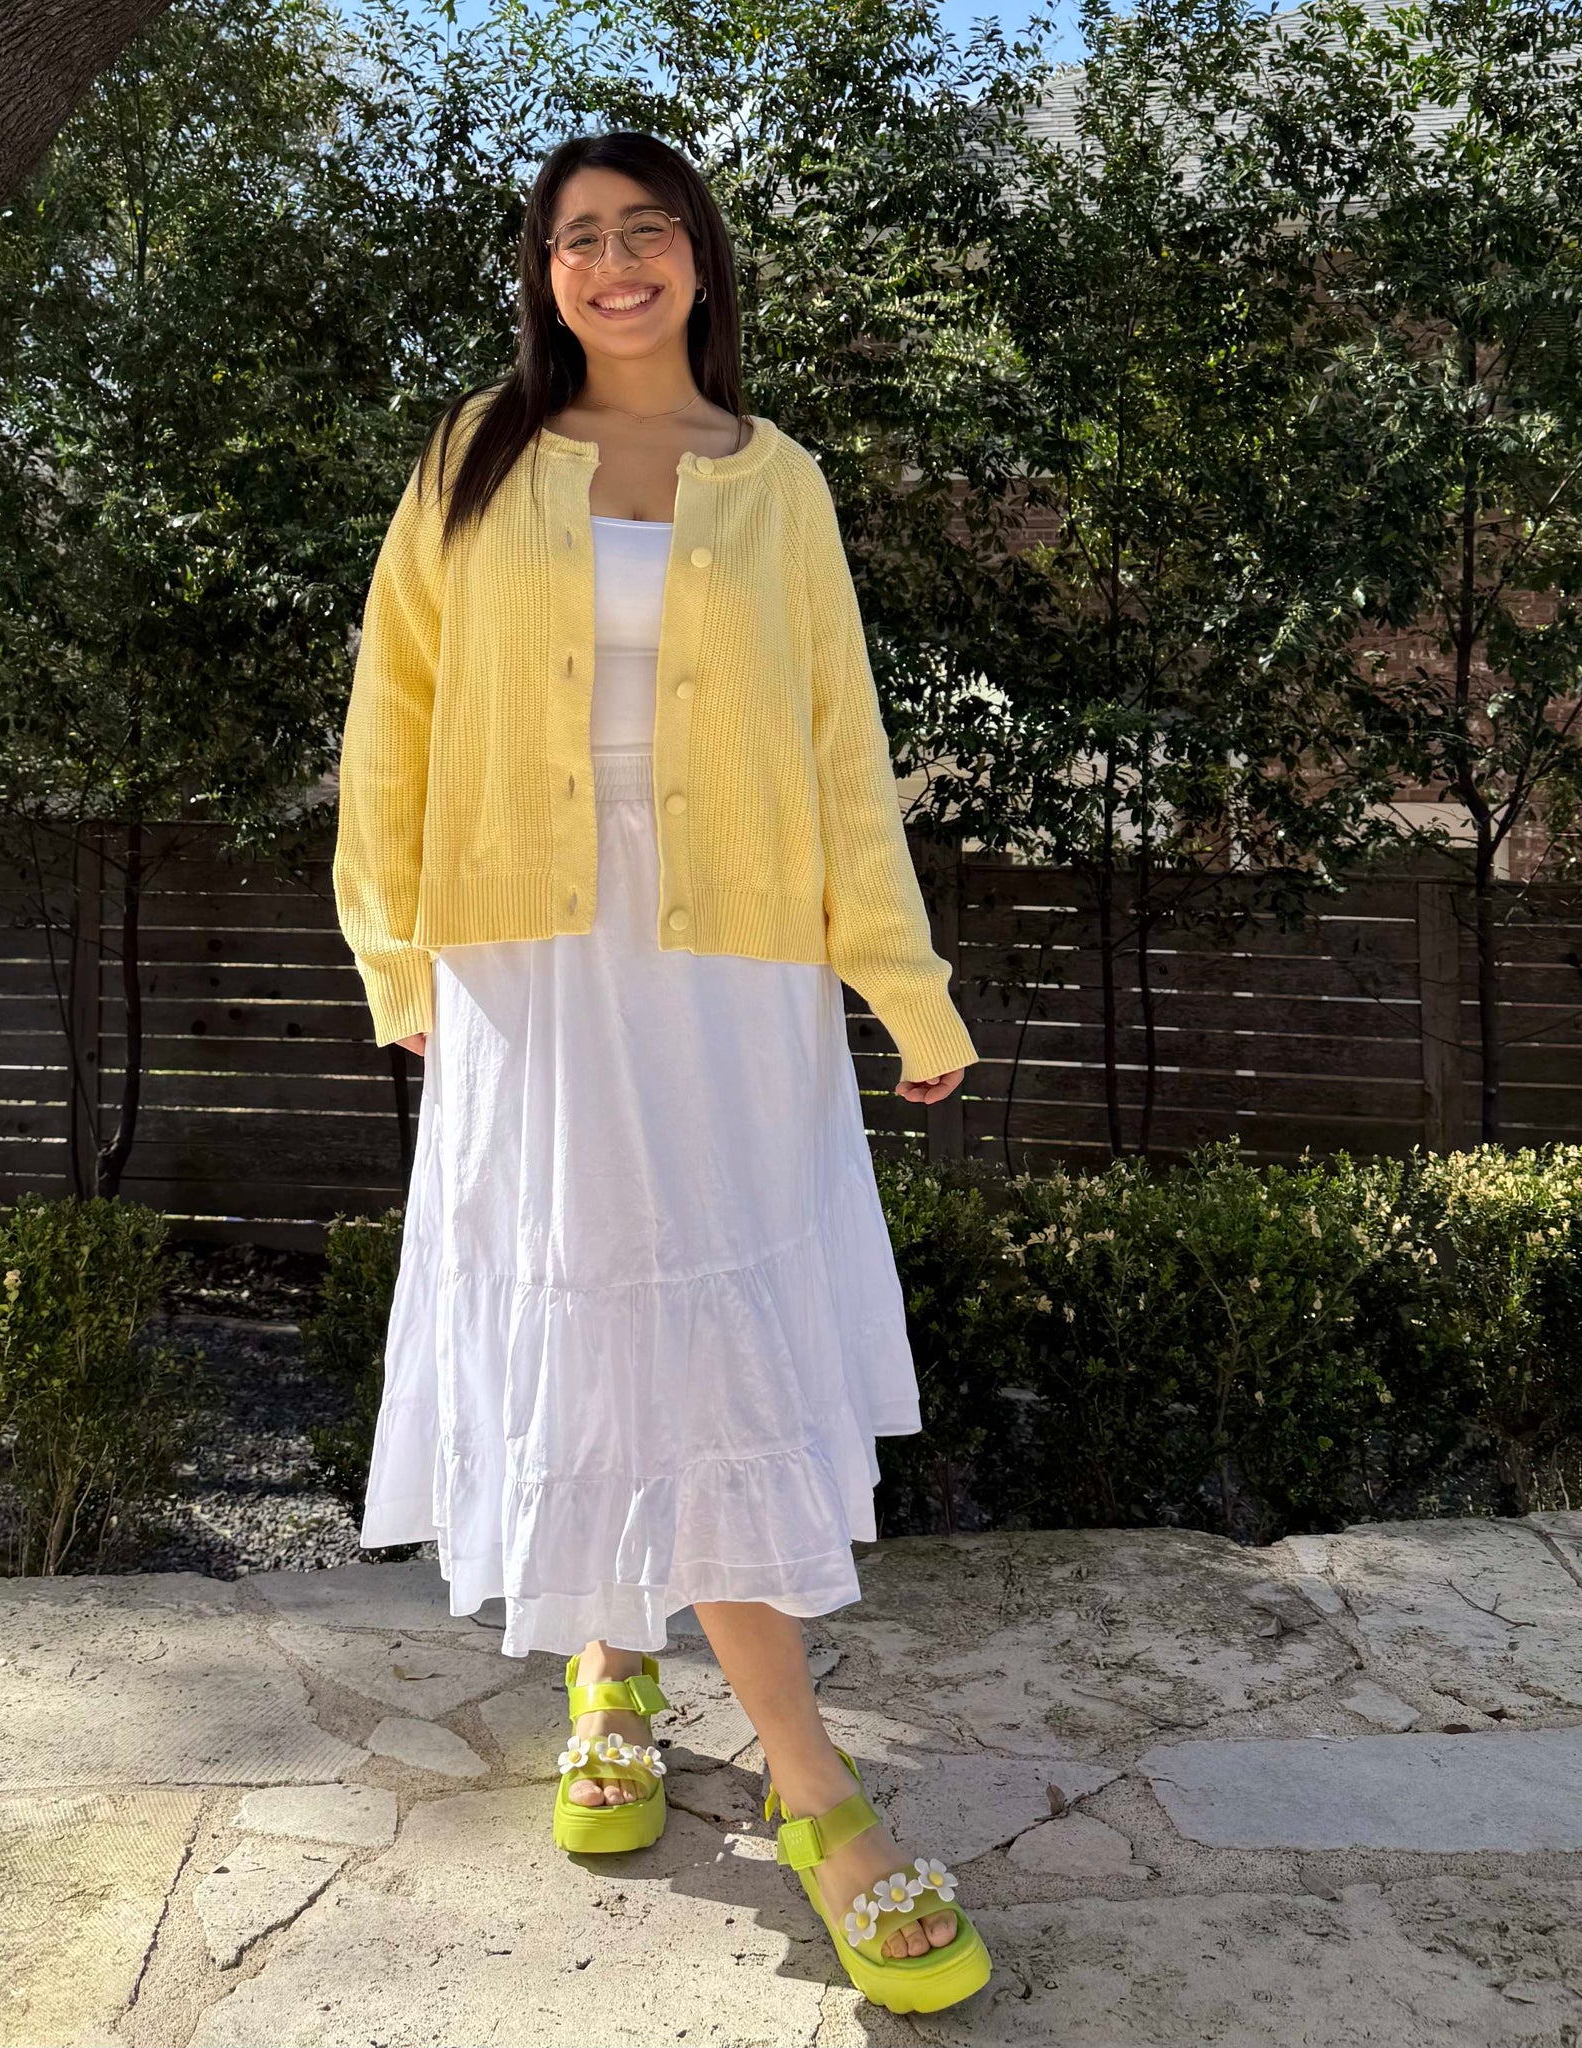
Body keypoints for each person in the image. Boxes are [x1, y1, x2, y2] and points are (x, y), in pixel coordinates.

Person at [332, 128, 990, 2014]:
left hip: (726, 967)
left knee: (701, 1330)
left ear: (699, 256)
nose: (611, 261)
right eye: (575, 238)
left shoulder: (776, 482)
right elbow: (395, 711)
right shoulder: (476, 454)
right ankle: (710, 1725)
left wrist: (905, 988)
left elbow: (838, 740)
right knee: (588, 1298)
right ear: (544, 275)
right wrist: (394, 949)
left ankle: (729, 1736)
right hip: (526, 953)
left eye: (643, 229)